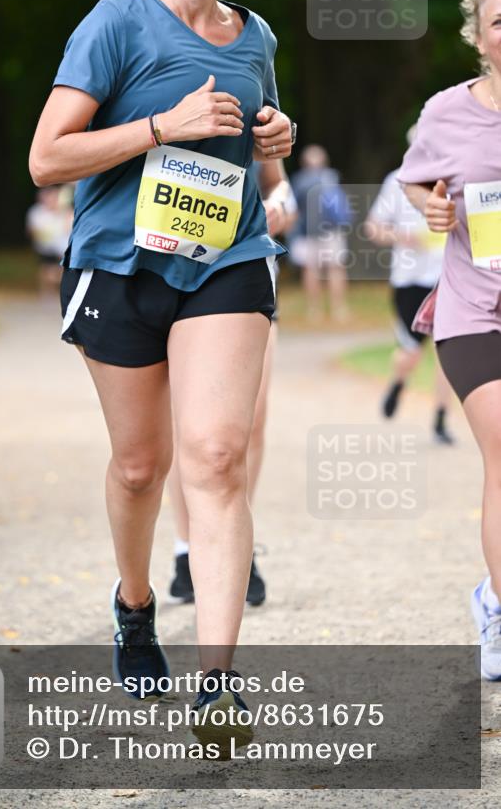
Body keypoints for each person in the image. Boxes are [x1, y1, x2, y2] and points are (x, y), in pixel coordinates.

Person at [29, 0, 295, 752]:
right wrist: (158, 128)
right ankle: (134, 605)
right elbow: (47, 159)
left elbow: (258, 155)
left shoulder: (252, 33)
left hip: (226, 258)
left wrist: (274, 144)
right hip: (119, 267)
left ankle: (217, 684)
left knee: (216, 456)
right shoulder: (114, 22)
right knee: (141, 468)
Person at [397, 0, 501, 681]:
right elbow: (413, 177)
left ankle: (489, 592)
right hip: (474, 310)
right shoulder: (446, 111)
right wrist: (430, 207)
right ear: (478, 37)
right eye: (500, 20)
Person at [167, 159, 297, 607]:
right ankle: (187, 547)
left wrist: (278, 206)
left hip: (244, 275)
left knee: (249, 423)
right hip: (169, 276)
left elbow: (279, 184)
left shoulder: (252, 97)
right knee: (182, 426)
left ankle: (233, 538)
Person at [364, 130, 455, 445]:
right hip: (408, 281)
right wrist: (402, 238)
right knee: (410, 353)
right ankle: (398, 382)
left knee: (448, 354)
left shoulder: (455, 179)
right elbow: (373, 227)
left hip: (449, 279)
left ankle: (441, 420)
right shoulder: (396, 182)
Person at [290, 145, 351, 323]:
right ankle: (338, 308)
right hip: (331, 230)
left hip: (309, 232)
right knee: (335, 268)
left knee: (312, 270)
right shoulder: (332, 176)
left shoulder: (298, 180)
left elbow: (294, 208)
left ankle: (314, 310)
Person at [26, 185, 74, 297]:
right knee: (48, 270)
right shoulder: (36, 212)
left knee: (58, 271)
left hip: (62, 247)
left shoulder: (66, 212)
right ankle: (47, 291)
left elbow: (69, 227)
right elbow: (33, 231)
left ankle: (56, 288)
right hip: (45, 247)